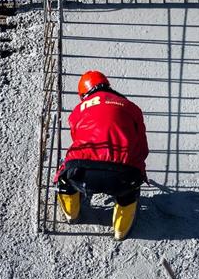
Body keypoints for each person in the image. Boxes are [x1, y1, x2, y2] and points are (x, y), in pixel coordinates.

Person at [55, 70, 149, 241]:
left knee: (65, 179)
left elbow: (77, 139)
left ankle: (71, 214)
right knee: (128, 192)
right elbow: (142, 149)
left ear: (83, 94)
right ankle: (121, 230)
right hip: (123, 175)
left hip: (82, 171)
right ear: (107, 85)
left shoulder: (77, 110)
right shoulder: (132, 107)